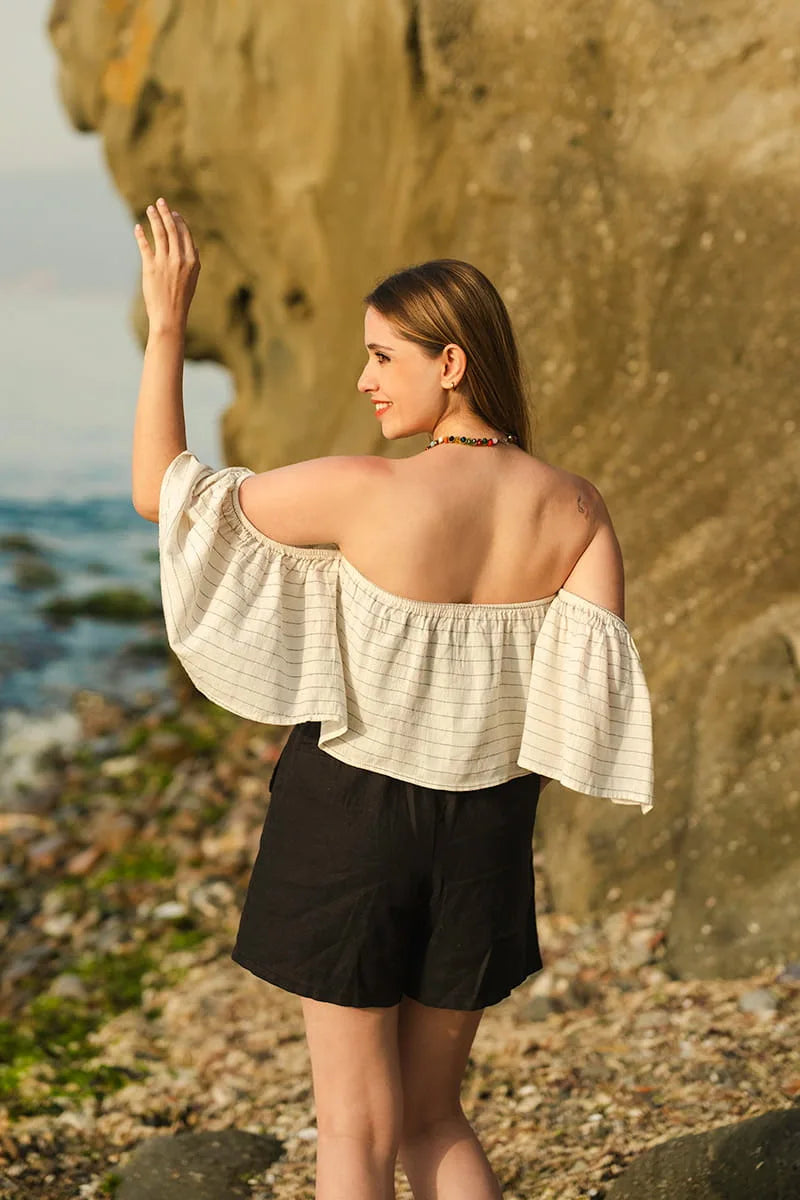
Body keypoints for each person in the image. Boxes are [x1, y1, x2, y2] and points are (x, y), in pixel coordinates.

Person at [132, 198, 654, 1200]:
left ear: (450, 364)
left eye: (383, 358)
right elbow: (577, 700)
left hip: (350, 821)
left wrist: (166, 325)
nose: (365, 380)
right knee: (432, 1118)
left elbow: (165, 495)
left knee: (353, 1134)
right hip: (486, 832)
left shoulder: (366, 490)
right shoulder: (575, 508)